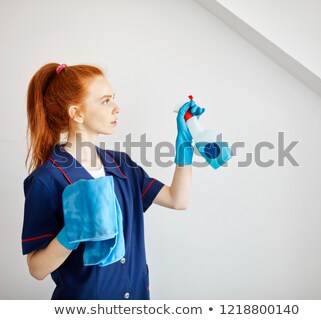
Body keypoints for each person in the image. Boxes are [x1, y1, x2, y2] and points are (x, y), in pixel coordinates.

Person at [21, 63, 205, 299]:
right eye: (106, 101)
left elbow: (177, 199)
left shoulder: (123, 166)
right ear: (76, 113)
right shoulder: (47, 180)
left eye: (113, 99)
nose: (117, 108)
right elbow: (36, 269)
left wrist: (184, 147)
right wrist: (71, 234)